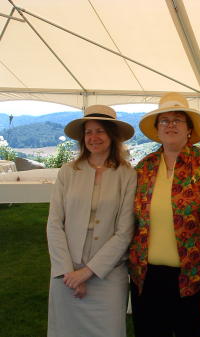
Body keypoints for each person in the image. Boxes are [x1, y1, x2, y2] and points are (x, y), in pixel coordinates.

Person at [128, 92, 200, 337]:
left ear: (189, 129)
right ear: (157, 129)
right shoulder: (144, 168)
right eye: (164, 121)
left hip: (192, 277)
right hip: (146, 277)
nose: (170, 125)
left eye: (177, 120)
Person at [46, 105, 137, 337]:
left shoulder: (127, 174)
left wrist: (86, 273)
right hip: (65, 275)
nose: (93, 137)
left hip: (107, 275)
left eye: (100, 131)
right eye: (88, 132)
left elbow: (124, 232)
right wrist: (69, 272)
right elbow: (54, 224)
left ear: (112, 136)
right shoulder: (68, 172)